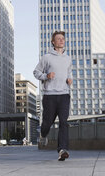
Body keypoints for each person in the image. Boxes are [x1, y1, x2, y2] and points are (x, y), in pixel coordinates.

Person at [33, 31, 73, 161]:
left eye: (63, 38)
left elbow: (69, 73)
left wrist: (70, 80)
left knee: (63, 122)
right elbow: (36, 72)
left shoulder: (68, 58)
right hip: (50, 95)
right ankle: (43, 134)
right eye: (58, 39)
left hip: (64, 95)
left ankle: (62, 150)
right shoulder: (47, 57)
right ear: (53, 42)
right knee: (47, 123)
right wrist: (46, 76)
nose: (61, 40)